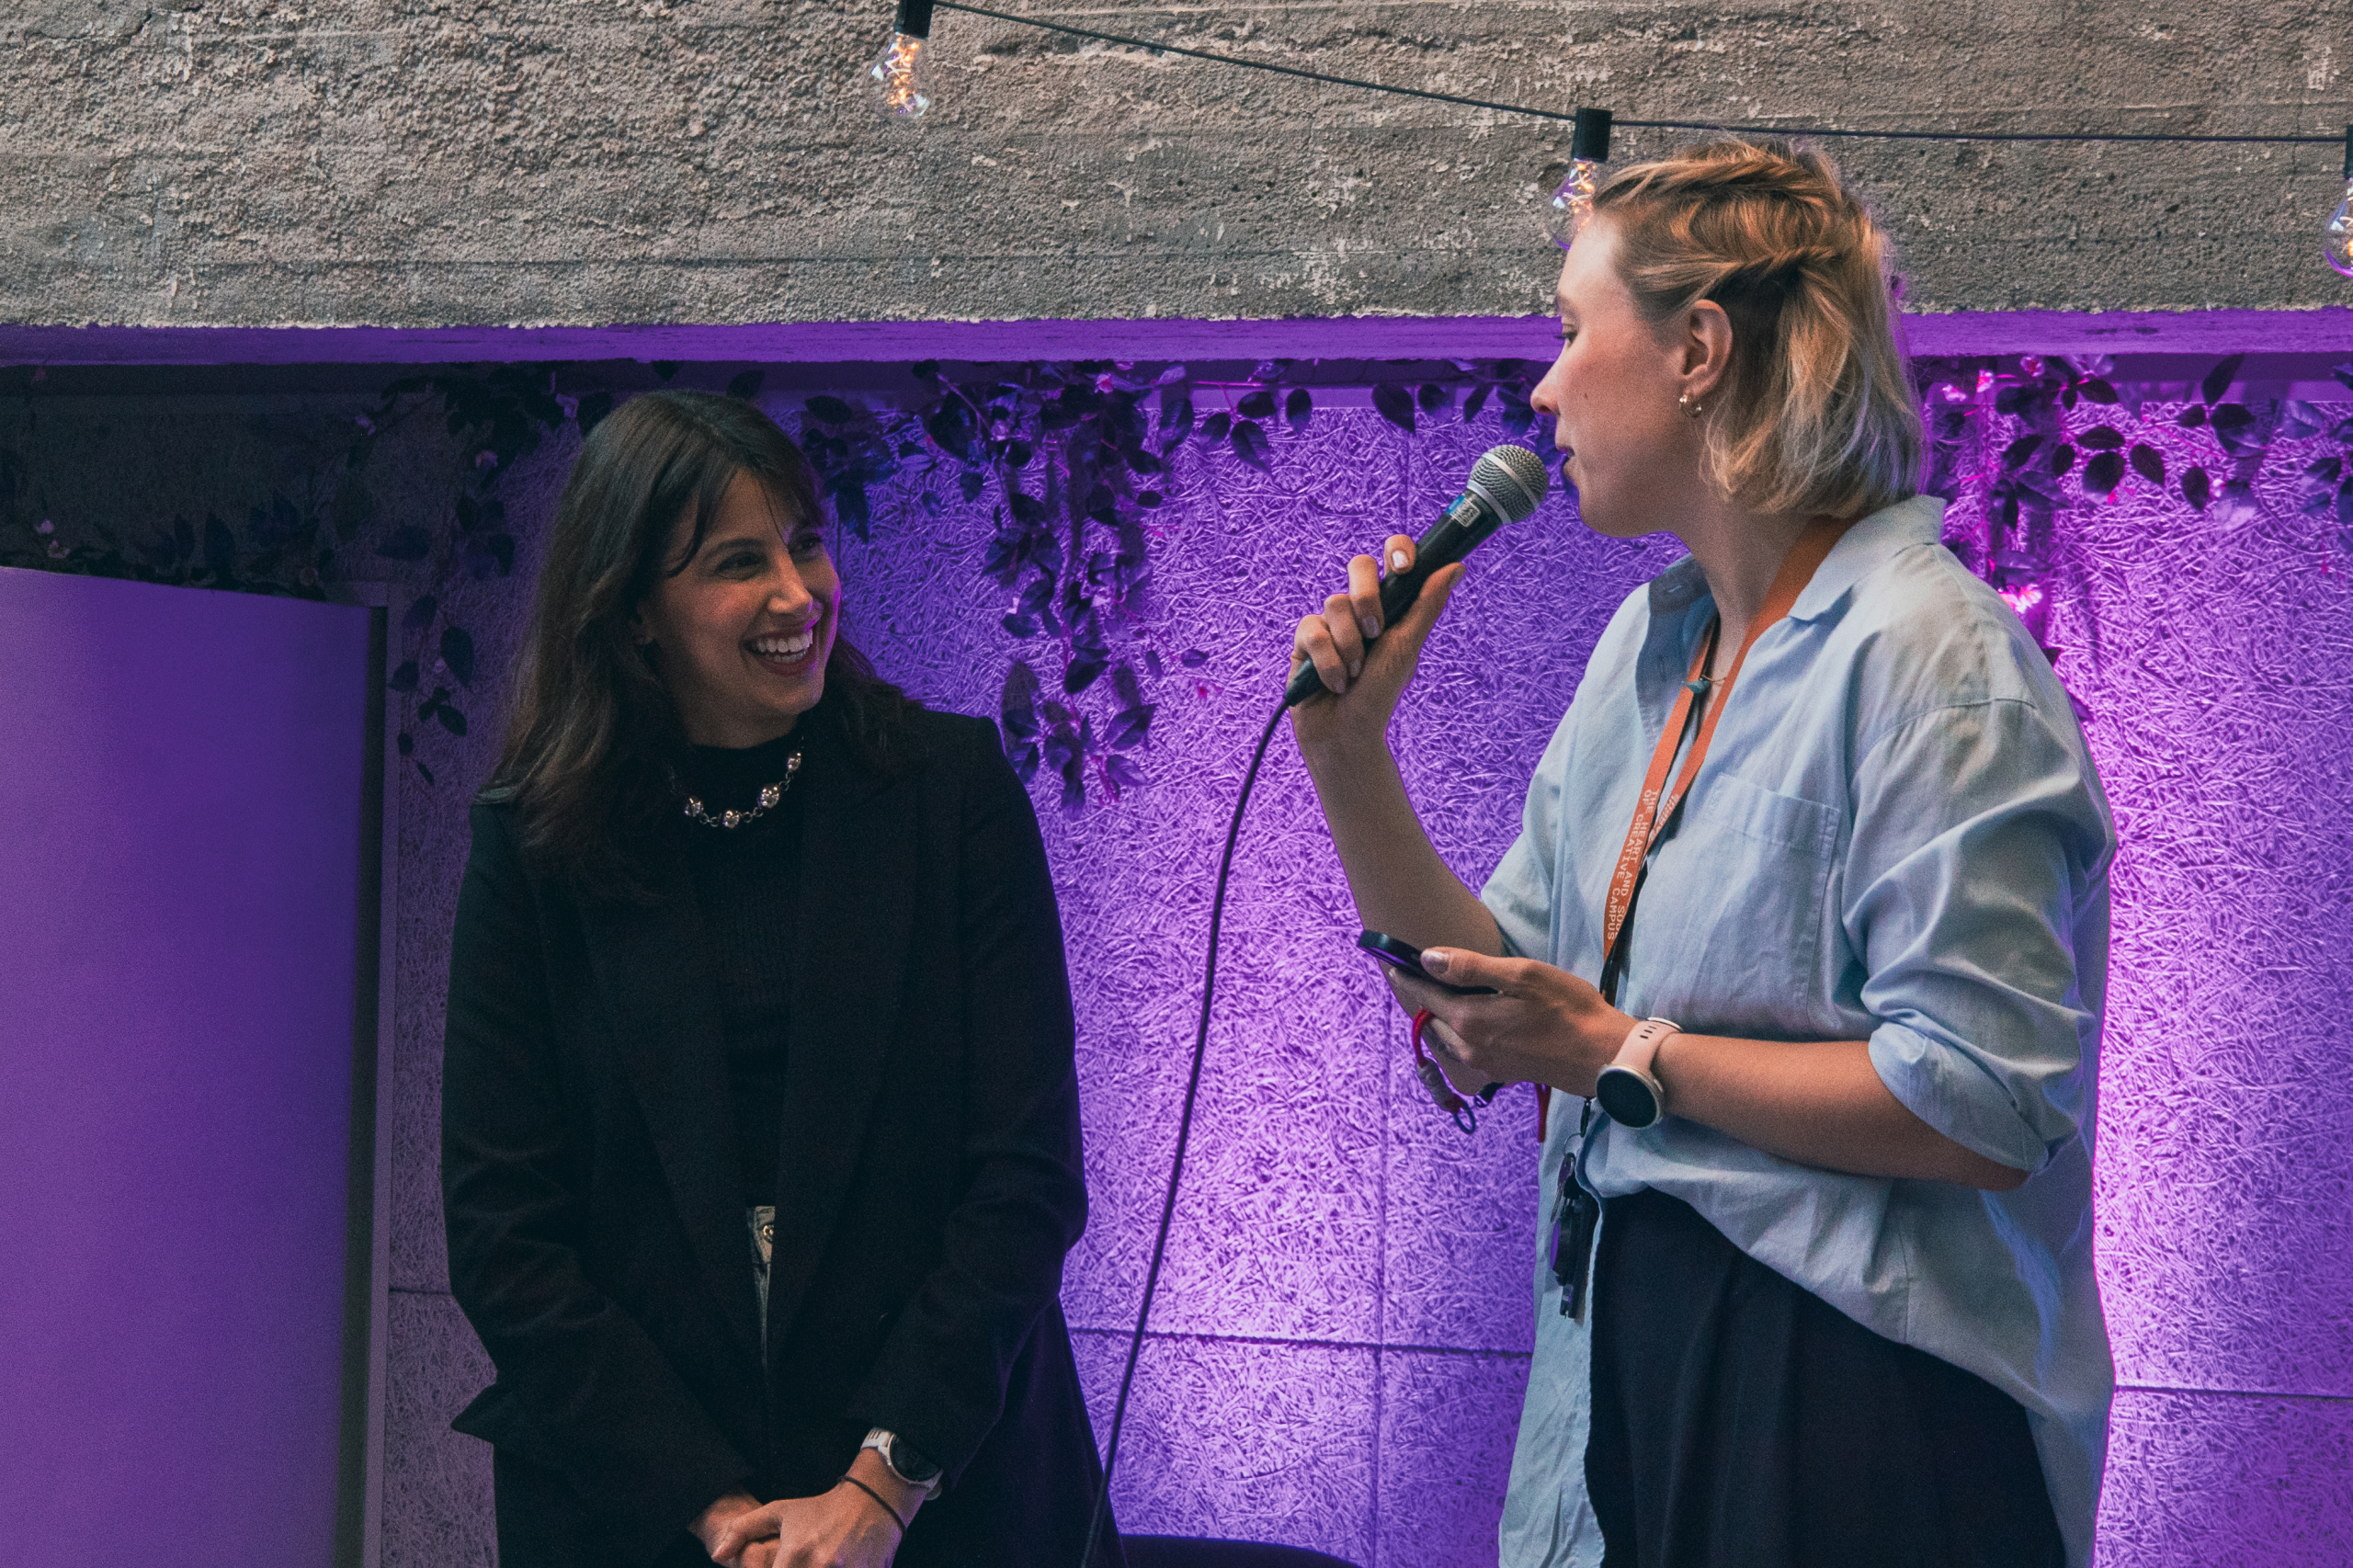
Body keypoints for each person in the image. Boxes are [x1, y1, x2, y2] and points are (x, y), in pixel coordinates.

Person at [1289, 140, 2114, 1568]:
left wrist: (1626, 1052)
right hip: (1639, 1360)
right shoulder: (1643, 653)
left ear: (1698, 350)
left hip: (1853, 1402)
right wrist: (1349, 759)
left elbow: (1983, 1100)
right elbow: (1490, 995)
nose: (1541, 389)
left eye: (1567, 330)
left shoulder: (1932, 655)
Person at [441, 391, 1120, 1568]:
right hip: (637, 1511)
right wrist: (711, 1508)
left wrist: (879, 1484)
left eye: (804, 542)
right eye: (735, 562)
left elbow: (1024, 1180)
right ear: (634, 610)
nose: (798, 595)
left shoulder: (947, 793)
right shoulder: (539, 846)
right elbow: (505, 1235)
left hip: (944, 1501)